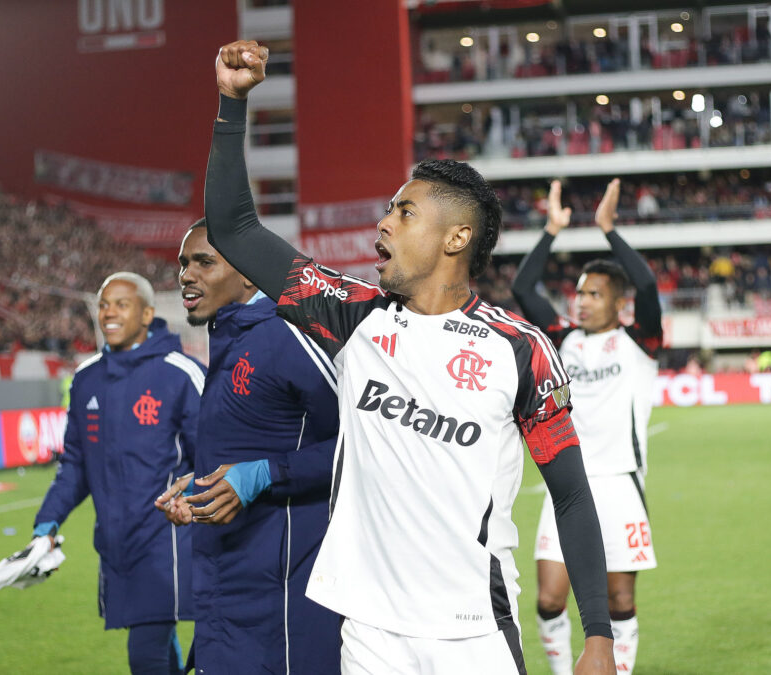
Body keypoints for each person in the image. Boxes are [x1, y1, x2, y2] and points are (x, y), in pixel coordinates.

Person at [197, 40, 614, 674]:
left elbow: (573, 496)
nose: (384, 222)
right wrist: (232, 104)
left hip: (473, 630)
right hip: (370, 631)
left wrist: (598, 636)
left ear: (457, 236)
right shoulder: (351, 316)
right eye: (390, 210)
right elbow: (234, 228)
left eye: (405, 211)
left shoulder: (520, 350)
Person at [154, 220, 341, 675]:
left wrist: (265, 475)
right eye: (183, 263)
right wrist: (203, 487)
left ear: (249, 274)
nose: (186, 275)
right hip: (226, 588)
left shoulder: (292, 334)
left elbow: (363, 446)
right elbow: (258, 441)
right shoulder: (230, 336)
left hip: (284, 598)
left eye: (204, 262)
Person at [511, 179, 662, 675]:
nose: (581, 301)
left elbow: (648, 286)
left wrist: (608, 229)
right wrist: (552, 230)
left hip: (619, 483)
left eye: (594, 293)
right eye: (578, 292)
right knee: (549, 599)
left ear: (618, 302)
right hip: (568, 481)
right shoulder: (563, 338)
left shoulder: (641, 341)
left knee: (619, 601)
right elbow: (523, 288)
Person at [33, 272, 205, 675]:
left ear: (147, 314)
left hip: (167, 540)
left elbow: (216, 460)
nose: (108, 313)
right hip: (114, 543)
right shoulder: (86, 378)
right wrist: (47, 521)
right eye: (104, 304)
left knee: (145, 652)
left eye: (121, 304)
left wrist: (190, 499)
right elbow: (76, 463)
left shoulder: (181, 373)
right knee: (156, 643)